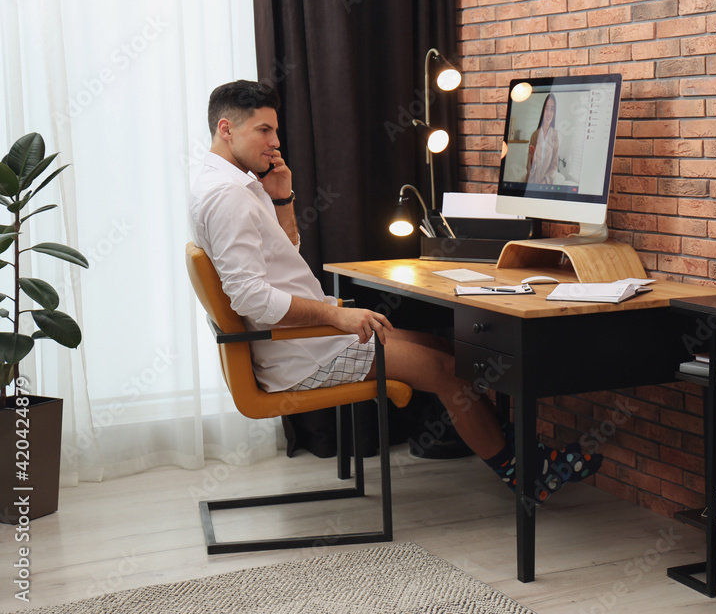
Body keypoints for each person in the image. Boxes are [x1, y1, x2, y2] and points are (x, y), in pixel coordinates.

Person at [188, 79, 601, 503]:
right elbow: (251, 298)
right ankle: (527, 474)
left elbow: (280, 257)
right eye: (263, 131)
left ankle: (521, 455)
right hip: (301, 351)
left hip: (304, 339)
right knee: (447, 371)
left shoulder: (230, 184)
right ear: (226, 129)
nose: (275, 142)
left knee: (447, 348)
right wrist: (337, 316)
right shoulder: (229, 196)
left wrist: (282, 200)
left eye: (275, 130)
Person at [525, 93, 559, 185]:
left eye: (552, 109)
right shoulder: (534, 135)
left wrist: (545, 181)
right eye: (547, 108)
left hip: (546, 186)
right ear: (543, 110)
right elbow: (528, 168)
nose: (549, 113)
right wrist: (533, 160)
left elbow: (554, 166)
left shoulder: (555, 136)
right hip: (531, 184)